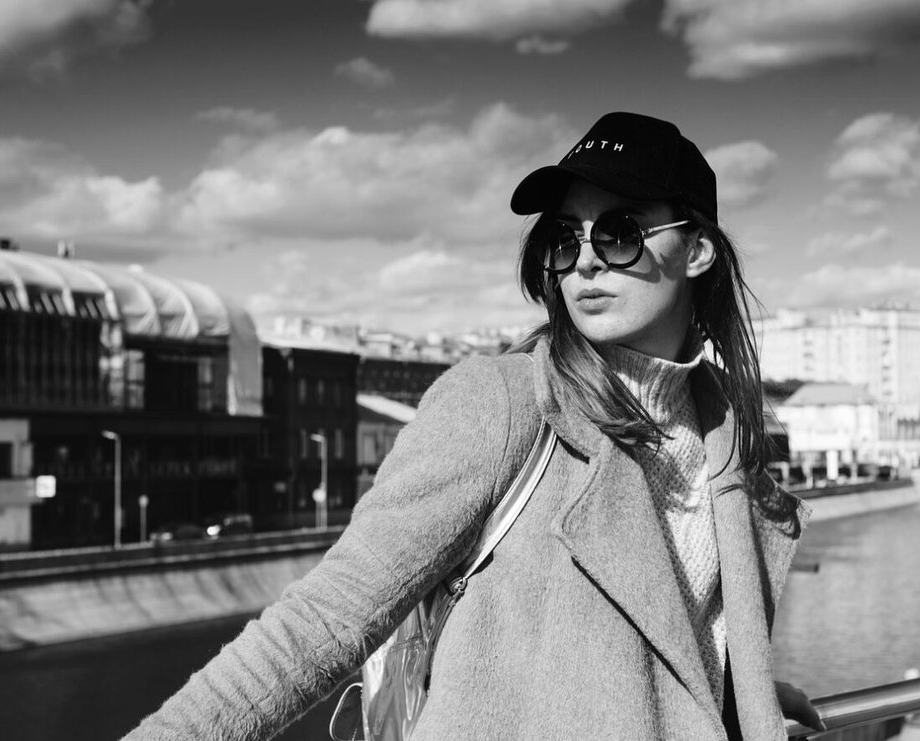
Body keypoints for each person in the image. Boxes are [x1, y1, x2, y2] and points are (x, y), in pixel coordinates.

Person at [121, 111, 822, 740]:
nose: (584, 259)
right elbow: (325, 621)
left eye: (620, 232)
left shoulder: (725, 435)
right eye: (565, 237)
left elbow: (653, 638)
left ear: (696, 250)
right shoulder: (502, 403)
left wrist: (725, 695)